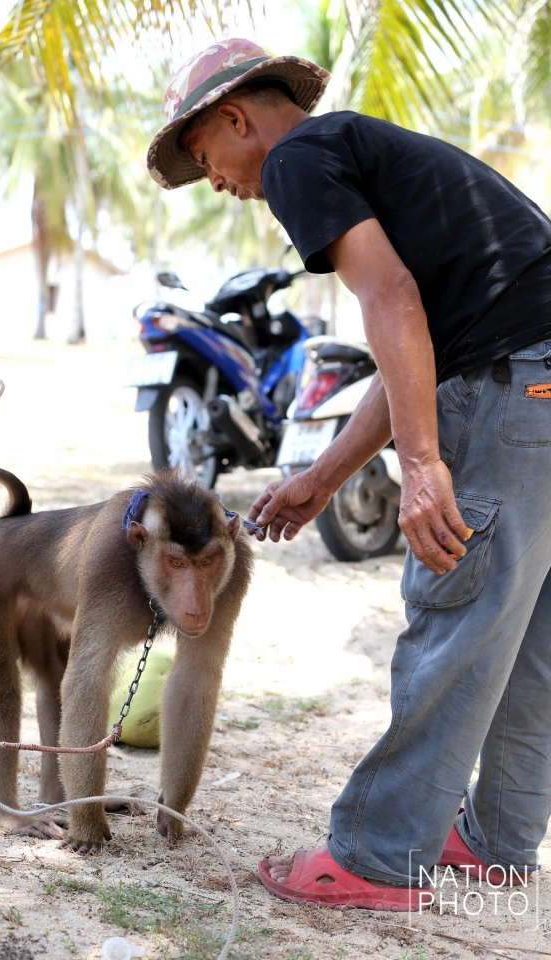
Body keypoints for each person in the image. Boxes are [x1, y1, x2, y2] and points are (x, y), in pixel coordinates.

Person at [148, 38, 551, 910]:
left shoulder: (300, 158)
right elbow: (419, 341)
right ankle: (500, 843)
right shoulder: (374, 155)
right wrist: (324, 478)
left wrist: (422, 468)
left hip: (520, 390)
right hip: (539, 379)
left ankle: (376, 859)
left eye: (203, 158)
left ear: (234, 118)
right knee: (530, 634)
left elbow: (392, 301)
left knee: (458, 618)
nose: (215, 179)